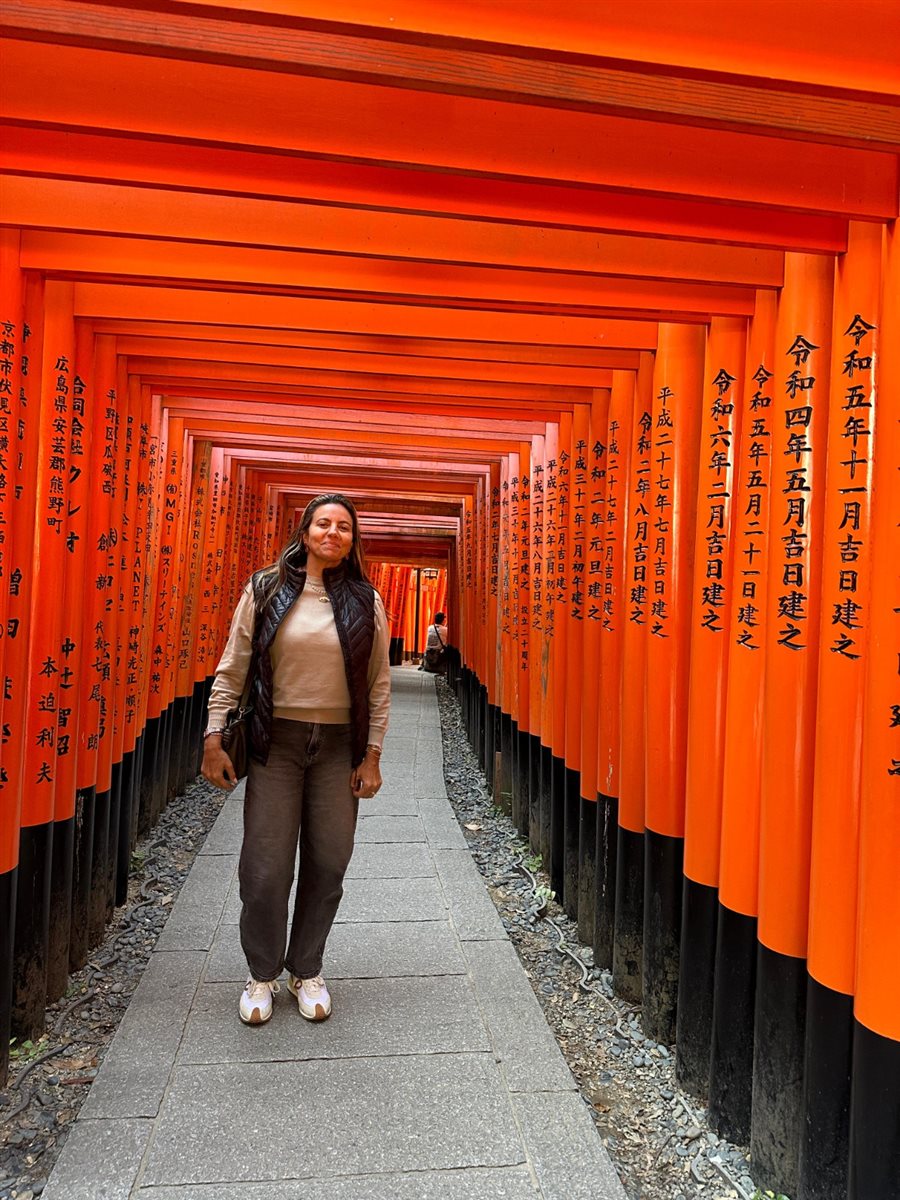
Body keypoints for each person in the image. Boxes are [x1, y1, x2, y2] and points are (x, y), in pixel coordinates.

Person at [201, 493, 391, 1026]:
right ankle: (261, 972)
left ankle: (306, 968)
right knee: (265, 868)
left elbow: (378, 685)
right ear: (304, 532)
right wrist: (214, 736)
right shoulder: (266, 589)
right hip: (275, 742)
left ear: (354, 541)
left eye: (344, 527)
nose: (333, 533)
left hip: (336, 748)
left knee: (329, 863)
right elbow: (233, 666)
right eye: (323, 524)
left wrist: (372, 753)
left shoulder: (366, 600)